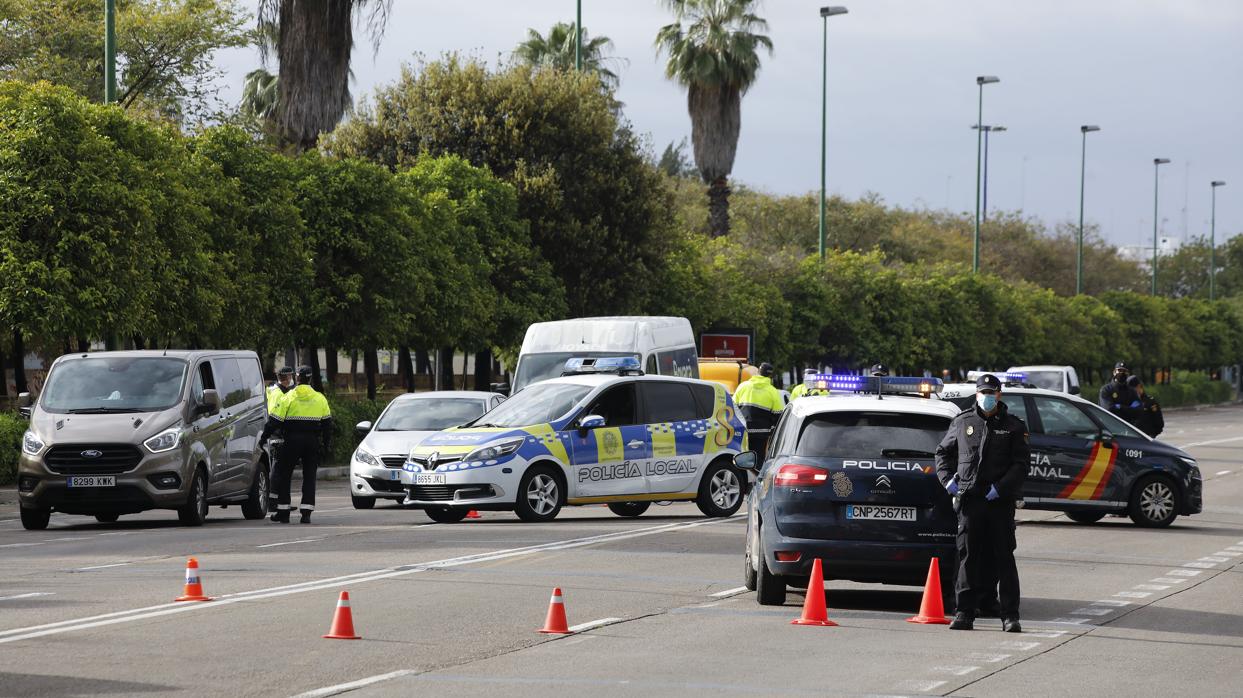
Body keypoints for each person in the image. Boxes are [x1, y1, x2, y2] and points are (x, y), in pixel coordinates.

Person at [935, 373, 1029, 633]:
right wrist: (947, 481)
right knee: (967, 557)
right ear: (977, 394)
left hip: (999, 502)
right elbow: (943, 452)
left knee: (1004, 558)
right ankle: (964, 612)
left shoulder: (1013, 426)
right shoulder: (963, 421)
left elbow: (1021, 465)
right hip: (970, 501)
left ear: (999, 395)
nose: (987, 397)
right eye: (983, 392)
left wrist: (1001, 488)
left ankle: (1010, 615)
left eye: (991, 392)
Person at [262, 366, 332, 524]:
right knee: (309, 476)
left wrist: (263, 438)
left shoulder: (289, 396)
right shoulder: (320, 398)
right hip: (312, 442)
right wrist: (327, 446)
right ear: (311, 378)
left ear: (298, 378)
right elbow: (328, 425)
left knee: (285, 474)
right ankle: (306, 513)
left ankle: (283, 512)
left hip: (291, 441)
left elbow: (274, 421)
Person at [733, 362, 785, 461]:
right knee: (758, 460)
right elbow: (778, 415)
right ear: (770, 375)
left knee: (741, 459)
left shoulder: (743, 386)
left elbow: (732, 407)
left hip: (743, 431)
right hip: (762, 434)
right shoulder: (773, 391)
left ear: (758, 372)